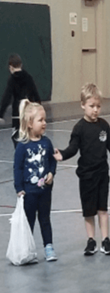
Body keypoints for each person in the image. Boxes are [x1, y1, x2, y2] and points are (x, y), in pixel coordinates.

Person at [55, 84, 110, 256]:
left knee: (103, 209)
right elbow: (73, 148)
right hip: (86, 177)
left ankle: (105, 240)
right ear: (83, 105)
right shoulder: (79, 128)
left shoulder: (104, 126)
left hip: (102, 175)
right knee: (89, 210)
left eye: (98, 106)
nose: (95, 110)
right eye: (92, 106)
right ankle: (91, 240)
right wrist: (62, 154)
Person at [13, 100, 59, 261]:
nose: (44, 123)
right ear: (30, 123)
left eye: (45, 120)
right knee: (29, 221)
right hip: (29, 193)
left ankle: (49, 247)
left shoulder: (46, 143)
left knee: (45, 219)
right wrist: (19, 188)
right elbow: (17, 168)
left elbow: (52, 161)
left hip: (45, 192)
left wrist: (52, 174)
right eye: (41, 120)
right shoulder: (22, 146)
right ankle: (28, 250)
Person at [0, 54, 42, 146]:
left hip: (17, 113)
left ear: (10, 67)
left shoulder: (12, 80)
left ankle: (21, 155)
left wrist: (1, 114)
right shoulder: (28, 77)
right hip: (28, 111)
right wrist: (39, 109)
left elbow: (7, 97)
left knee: (16, 136)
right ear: (21, 65)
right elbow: (35, 94)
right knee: (29, 135)